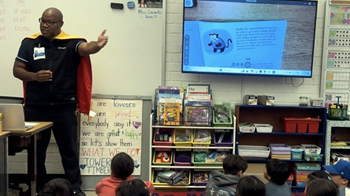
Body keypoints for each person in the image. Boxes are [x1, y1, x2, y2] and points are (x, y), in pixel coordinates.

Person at [13, 7, 108, 196]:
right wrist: (34, 76)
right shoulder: (29, 43)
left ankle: (74, 188)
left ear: (60, 24)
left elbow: (85, 48)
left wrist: (97, 45)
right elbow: (17, 70)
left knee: (69, 151)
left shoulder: (71, 43)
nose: (45, 25)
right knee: (37, 152)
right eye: (42, 20)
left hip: (64, 108)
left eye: (50, 22)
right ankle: (40, 189)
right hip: (36, 108)